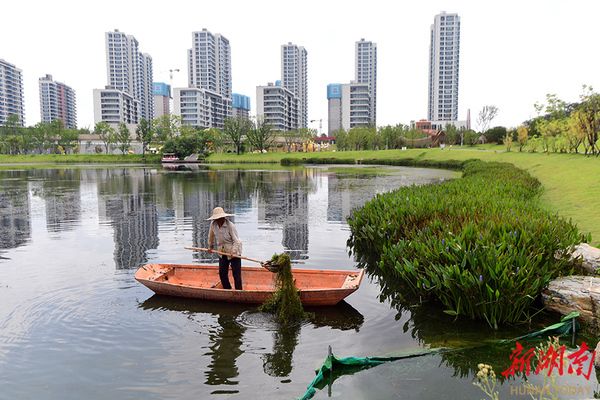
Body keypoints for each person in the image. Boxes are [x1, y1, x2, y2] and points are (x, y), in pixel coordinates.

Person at [207, 207, 243, 290]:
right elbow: (210, 236)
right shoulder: (213, 225)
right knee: (222, 274)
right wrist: (210, 246)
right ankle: (228, 290)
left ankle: (239, 292)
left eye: (220, 218)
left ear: (223, 217)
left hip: (234, 251)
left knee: (236, 274)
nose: (219, 220)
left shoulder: (230, 226)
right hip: (222, 251)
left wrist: (233, 252)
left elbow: (236, 241)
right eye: (217, 219)